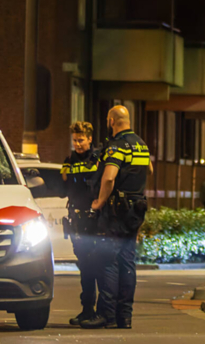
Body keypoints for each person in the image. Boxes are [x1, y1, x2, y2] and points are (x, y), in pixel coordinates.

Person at [82, 105, 151, 330]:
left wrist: (99, 202)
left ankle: (107, 315)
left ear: (111, 121)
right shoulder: (141, 145)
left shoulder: (117, 146)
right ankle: (125, 316)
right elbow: (149, 170)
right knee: (127, 261)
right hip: (136, 209)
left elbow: (109, 178)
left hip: (116, 211)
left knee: (108, 261)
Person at [60, 121, 103, 326]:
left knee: (97, 266)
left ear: (90, 139)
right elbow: (63, 188)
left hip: (95, 220)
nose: (77, 144)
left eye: (81, 140)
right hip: (77, 220)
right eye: (75, 140)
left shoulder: (98, 159)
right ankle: (87, 309)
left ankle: (101, 311)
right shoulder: (69, 160)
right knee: (84, 266)